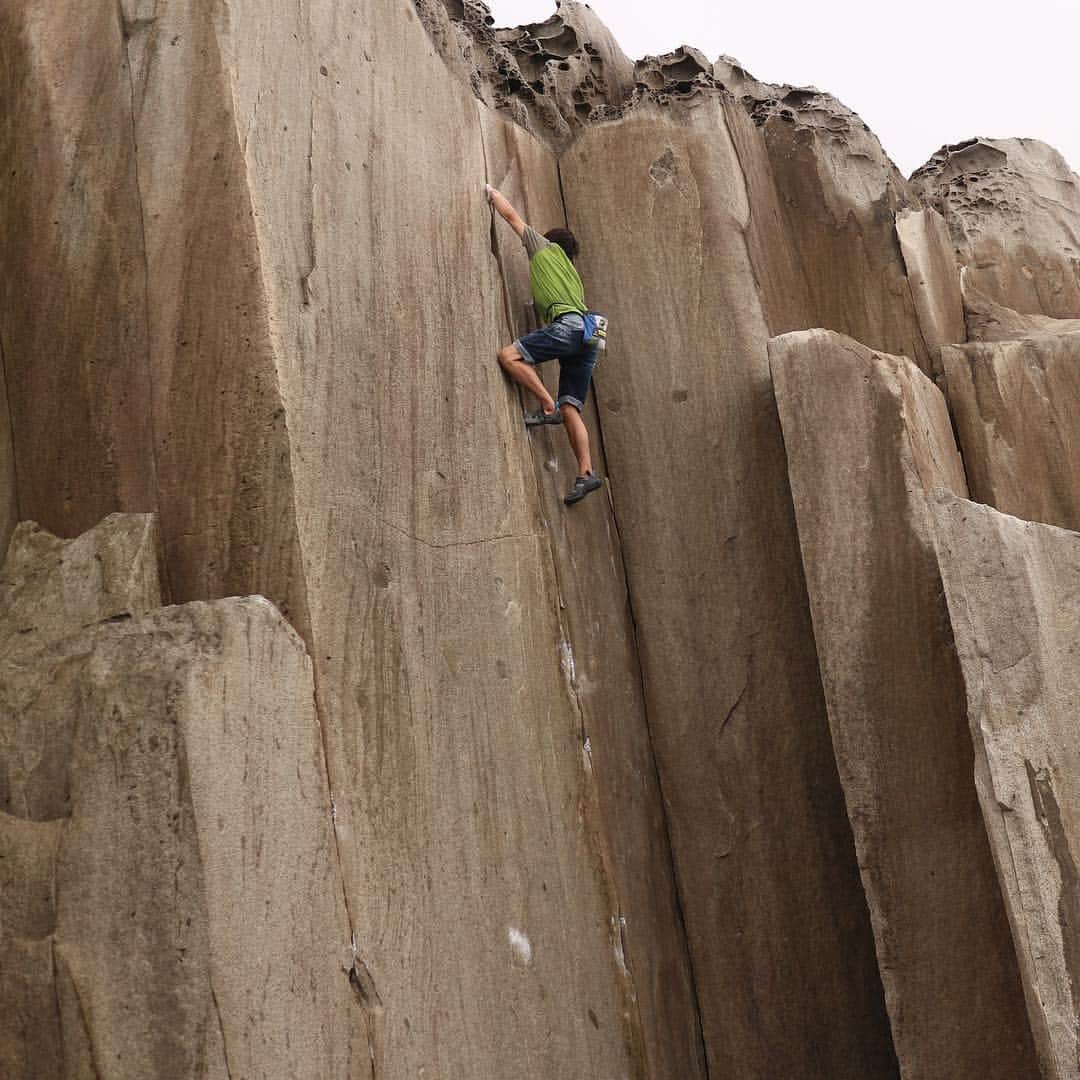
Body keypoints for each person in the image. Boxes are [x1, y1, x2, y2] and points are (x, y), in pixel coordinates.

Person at [486, 183, 603, 506]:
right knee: (573, 407)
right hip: (591, 332)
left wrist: (492, 193)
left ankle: (546, 405)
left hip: (569, 325)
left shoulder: (545, 248)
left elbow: (513, 218)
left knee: (509, 356)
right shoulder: (572, 273)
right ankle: (585, 472)